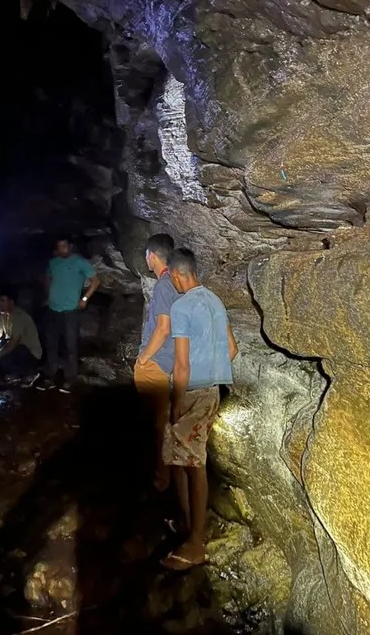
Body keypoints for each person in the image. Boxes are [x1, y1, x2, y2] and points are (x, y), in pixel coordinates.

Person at [161, 247, 239, 571]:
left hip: (192, 393)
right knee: (178, 458)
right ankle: (186, 522)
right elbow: (232, 350)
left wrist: (177, 403)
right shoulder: (215, 301)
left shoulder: (182, 306)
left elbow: (181, 365)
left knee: (193, 464)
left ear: (177, 275)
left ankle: (195, 543)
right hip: (211, 391)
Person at [134, 233, 180, 492]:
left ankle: (161, 478)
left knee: (157, 423)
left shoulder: (163, 285)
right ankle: (166, 473)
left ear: (151, 255)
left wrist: (143, 358)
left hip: (157, 362)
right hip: (171, 361)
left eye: (146, 255)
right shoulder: (178, 282)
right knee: (163, 420)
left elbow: (163, 328)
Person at [43, 236, 100, 392]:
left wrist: (85, 298)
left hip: (70, 310)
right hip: (53, 309)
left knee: (70, 345)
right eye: (59, 246)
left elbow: (95, 281)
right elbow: (48, 277)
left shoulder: (80, 262)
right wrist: (47, 295)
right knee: (52, 344)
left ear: (70, 246)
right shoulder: (54, 262)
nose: (61, 249)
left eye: (64, 246)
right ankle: (50, 375)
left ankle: (70, 378)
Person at [0, 290, 43, 385]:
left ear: (11, 302)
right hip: (17, 347)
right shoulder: (4, 314)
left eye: (3, 301)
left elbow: (14, 342)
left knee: (8, 351)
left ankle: (31, 373)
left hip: (30, 352)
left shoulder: (19, 316)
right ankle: (15, 374)